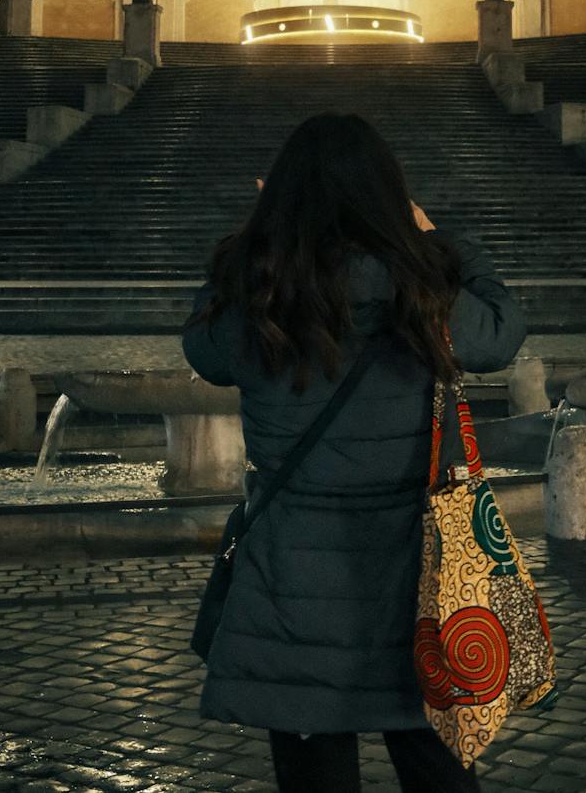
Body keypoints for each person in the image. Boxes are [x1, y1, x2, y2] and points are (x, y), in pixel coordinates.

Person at [182, 111, 528, 793]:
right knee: (436, 767)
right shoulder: (425, 286)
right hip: (416, 568)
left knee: (314, 775)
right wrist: (441, 242)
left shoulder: (257, 289)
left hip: (293, 568)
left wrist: (254, 240)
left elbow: (202, 349)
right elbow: (503, 332)